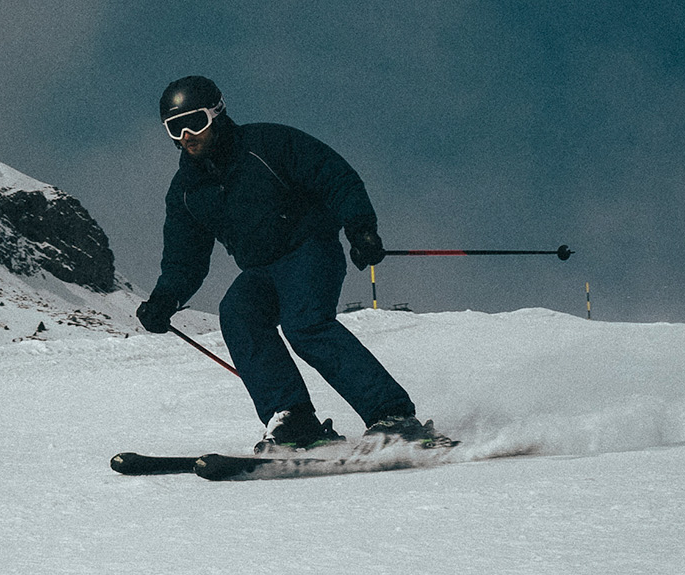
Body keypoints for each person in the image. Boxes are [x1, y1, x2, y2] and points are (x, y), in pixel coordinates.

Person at [135, 76, 456, 454]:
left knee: (305, 324)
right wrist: (165, 300)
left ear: (218, 115)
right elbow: (184, 257)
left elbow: (334, 177)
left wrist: (360, 228)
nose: (188, 134)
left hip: (309, 249)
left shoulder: (267, 144)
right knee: (238, 312)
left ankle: (393, 416)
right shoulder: (187, 191)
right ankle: (294, 419)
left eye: (197, 122)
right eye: (176, 127)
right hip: (259, 271)